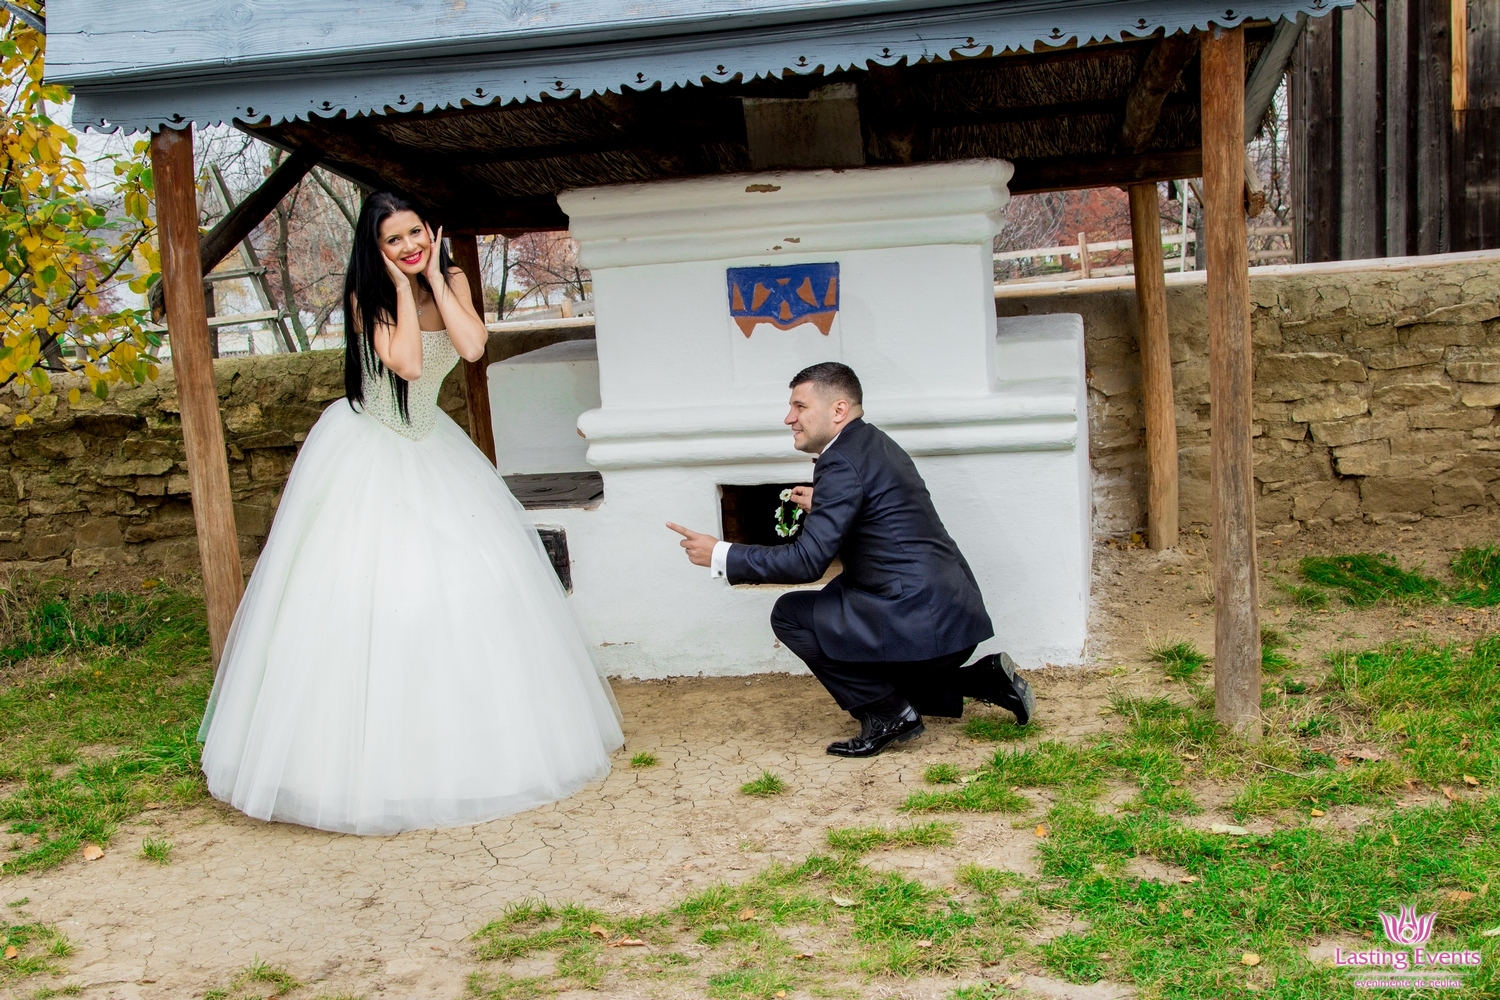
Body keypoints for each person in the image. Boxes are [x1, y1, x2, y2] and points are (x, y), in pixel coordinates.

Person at [198, 191, 623, 835]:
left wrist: (438, 281)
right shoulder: (365, 297)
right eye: (392, 240)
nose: (407, 246)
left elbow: (472, 346)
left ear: (431, 230)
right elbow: (408, 362)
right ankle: (352, 765)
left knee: (473, 591)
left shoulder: (449, 278)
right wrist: (400, 285)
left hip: (433, 448)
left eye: (415, 232)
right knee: (376, 596)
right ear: (376, 249)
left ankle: (472, 746)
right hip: (371, 450)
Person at [667, 362, 1033, 758]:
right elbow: (879, 512)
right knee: (837, 610)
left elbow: (806, 563)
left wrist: (721, 553)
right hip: (950, 612)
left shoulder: (840, 461)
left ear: (838, 410)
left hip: (921, 622)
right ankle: (983, 680)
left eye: (800, 406)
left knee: (791, 615)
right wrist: (824, 503)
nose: (789, 418)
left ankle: (889, 714)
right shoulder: (872, 442)